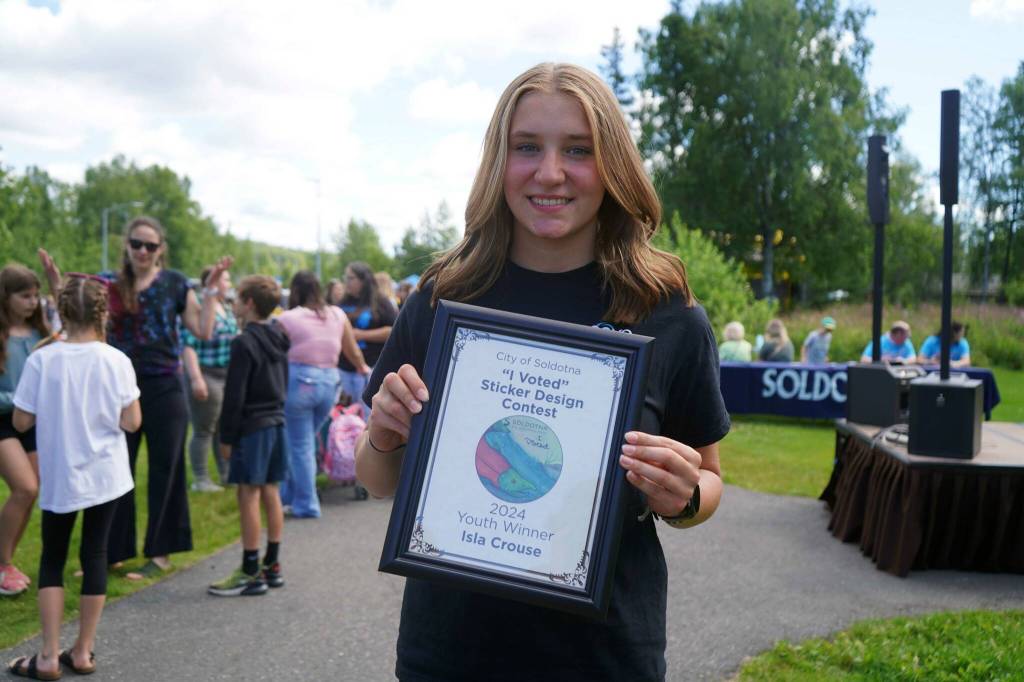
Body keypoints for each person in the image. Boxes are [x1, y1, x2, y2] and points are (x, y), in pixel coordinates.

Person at [355, 63, 728, 681]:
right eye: (526, 146)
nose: (549, 172)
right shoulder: (444, 298)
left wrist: (686, 495)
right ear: (497, 161)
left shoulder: (669, 313)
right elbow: (377, 481)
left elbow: (709, 481)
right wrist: (384, 435)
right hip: (450, 654)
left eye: (577, 150)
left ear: (611, 164)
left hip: (604, 656)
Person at [38, 217, 230, 578]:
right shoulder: (107, 283)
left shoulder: (174, 284)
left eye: (150, 245)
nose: (143, 251)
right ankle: (110, 553)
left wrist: (209, 293)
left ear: (161, 250)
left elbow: (202, 331)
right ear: (127, 245)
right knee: (115, 469)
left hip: (164, 387)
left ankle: (161, 551)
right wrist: (53, 279)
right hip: (116, 387)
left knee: (166, 468)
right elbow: (70, 306)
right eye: (137, 244)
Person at [8, 274, 142, 679]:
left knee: (53, 558)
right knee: (95, 554)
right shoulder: (116, 359)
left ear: (60, 311)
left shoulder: (41, 360)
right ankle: (82, 651)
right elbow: (132, 422)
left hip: (62, 473)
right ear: (102, 313)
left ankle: (48, 655)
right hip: (106, 474)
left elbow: (20, 419)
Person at [208, 276, 290, 597]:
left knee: (248, 494)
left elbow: (234, 395)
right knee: (271, 491)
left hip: (253, 426)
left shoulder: (244, 342)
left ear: (250, 303)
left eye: (238, 298)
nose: (234, 303)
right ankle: (273, 564)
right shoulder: (279, 335)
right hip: (276, 421)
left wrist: (226, 437)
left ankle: (250, 569)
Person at [276, 271, 368, 519]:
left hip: (299, 384)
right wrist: (363, 369)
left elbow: (274, 353)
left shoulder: (287, 318)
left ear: (295, 291)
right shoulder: (337, 315)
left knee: (300, 444)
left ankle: (305, 503)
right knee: (304, 440)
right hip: (329, 384)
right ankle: (288, 496)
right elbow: (352, 352)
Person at [0, 265, 48, 597]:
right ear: (6, 296)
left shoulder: (38, 333)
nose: (32, 302)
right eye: (24, 296)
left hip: (32, 421)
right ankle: (3, 565)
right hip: (4, 420)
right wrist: (19, 398)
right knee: (25, 488)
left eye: (35, 295)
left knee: (33, 490)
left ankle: (6, 561)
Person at [182, 266, 239, 492]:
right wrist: (196, 378)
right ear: (212, 282)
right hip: (206, 373)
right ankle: (201, 479)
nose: (229, 284)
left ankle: (226, 474)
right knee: (204, 429)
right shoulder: (197, 306)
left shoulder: (225, 306)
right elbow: (188, 345)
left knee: (222, 428)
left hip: (226, 375)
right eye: (225, 279)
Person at [338, 261, 398, 413]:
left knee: (366, 416)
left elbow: (393, 330)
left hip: (369, 368)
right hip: (343, 369)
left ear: (363, 280)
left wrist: (360, 335)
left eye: (351, 278)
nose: (347, 282)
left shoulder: (380, 301)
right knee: (345, 417)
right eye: (346, 278)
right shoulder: (342, 302)